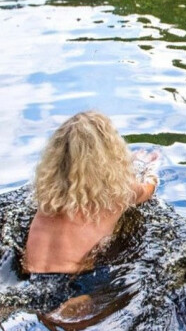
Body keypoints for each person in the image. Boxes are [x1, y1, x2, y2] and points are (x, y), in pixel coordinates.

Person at [23, 111, 158, 276]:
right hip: (76, 281)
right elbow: (148, 189)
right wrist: (148, 169)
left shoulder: (47, 196)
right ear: (108, 153)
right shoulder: (117, 196)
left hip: (26, 273)